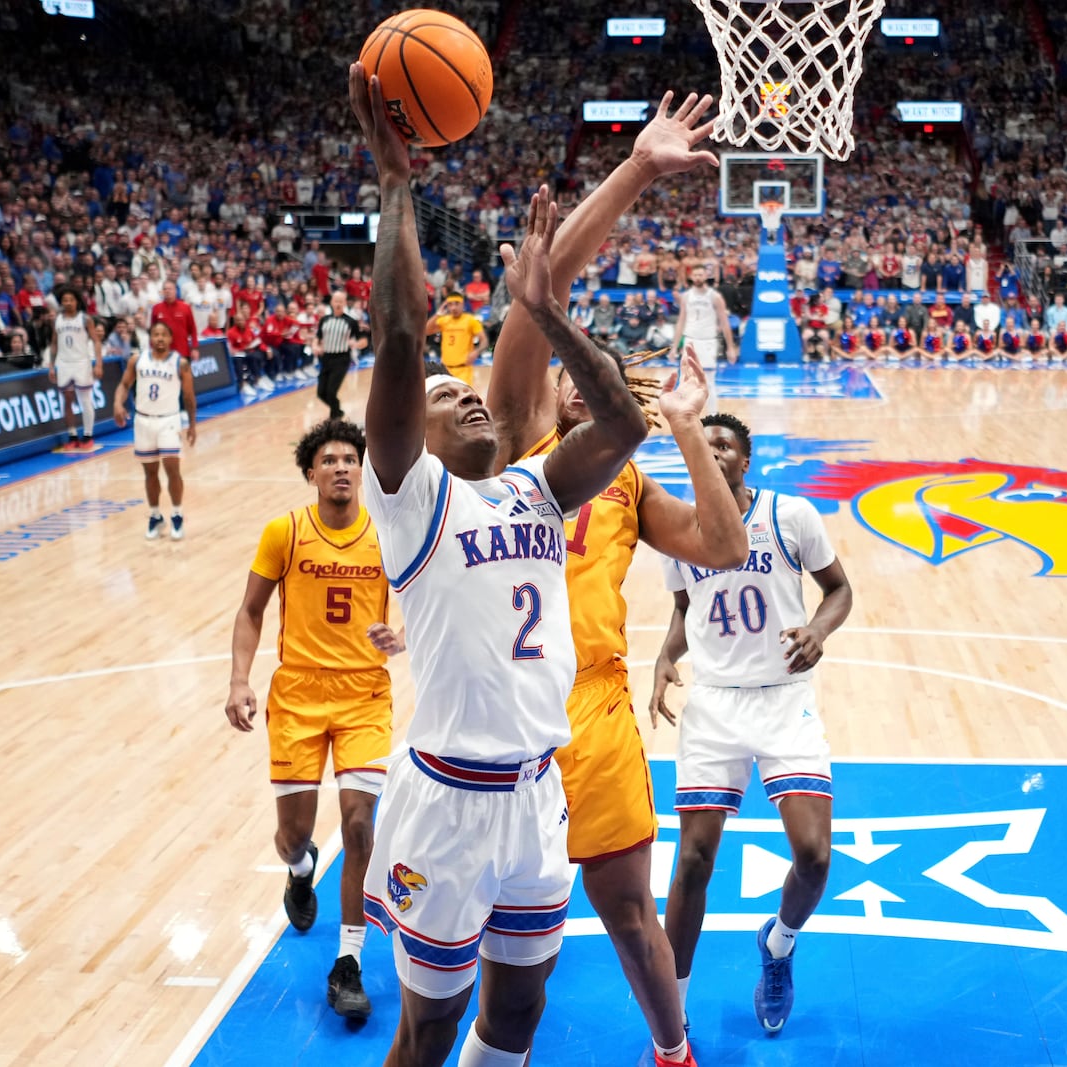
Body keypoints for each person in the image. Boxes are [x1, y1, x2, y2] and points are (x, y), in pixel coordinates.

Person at [348, 66, 647, 1067]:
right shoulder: (411, 497)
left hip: (536, 792)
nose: (464, 398)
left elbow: (624, 421)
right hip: (446, 800)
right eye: (440, 393)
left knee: (518, 1015)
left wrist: (546, 308)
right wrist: (398, 184)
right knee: (428, 1025)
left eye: (462, 386)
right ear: (410, 431)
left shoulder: (529, 487)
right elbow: (398, 331)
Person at [479, 90, 742, 1067]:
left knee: (630, 911)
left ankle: (671, 1047)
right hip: (498, 720)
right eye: (540, 358)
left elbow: (718, 545)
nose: (544, 366)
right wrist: (633, 171)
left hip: (591, 713)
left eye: (559, 361)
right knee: (506, 956)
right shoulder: (505, 441)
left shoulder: (623, 479)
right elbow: (535, 295)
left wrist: (685, 430)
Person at [650, 412, 853, 1036]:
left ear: (747, 458)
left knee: (815, 857)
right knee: (693, 862)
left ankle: (779, 946)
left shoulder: (791, 516)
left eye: (725, 445)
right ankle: (673, 1008)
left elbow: (839, 590)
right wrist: (664, 656)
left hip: (784, 698)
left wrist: (817, 630)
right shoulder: (680, 531)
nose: (713, 452)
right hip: (713, 706)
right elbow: (688, 608)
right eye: (703, 444)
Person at [224, 418, 390, 1022]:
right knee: (294, 833)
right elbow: (250, 611)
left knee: (358, 825)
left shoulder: (387, 534)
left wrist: (400, 635)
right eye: (330, 460)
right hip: (297, 694)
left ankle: (348, 963)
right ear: (311, 472)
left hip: (365, 694)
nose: (342, 467)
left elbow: (426, 600)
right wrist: (240, 681)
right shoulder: (285, 531)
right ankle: (299, 867)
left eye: (351, 459)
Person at [113, 322, 197, 540]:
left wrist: (193, 426)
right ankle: (155, 515)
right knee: (150, 473)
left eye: (164, 335)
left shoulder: (181, 363)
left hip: (169, 420)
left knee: (171, 467)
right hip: (143, 421)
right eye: (156, 334)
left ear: (170, 338)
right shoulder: (136, 360)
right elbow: (124, 385)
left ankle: (177, 514)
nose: (160, 338)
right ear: (150, 338)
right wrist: (117, 404)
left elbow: (189, 397)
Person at [49, 286, 102, 451]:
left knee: (85, 399)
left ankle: (88, 435)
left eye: (71, 299)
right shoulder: (57, 320)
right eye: (65, 300)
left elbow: (96, 341)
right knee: (68, 400)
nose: (68, 303)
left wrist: (98, 363)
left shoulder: (85, 319)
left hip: (81, 362)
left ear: (77, 301)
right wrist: (51, 366)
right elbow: (54, 344)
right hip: (64, 363)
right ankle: (72, 435)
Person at [674, 264, 737, 371]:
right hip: (690, 340)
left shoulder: (715, 297)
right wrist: (675, 346)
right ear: (691, 277)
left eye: (700, 275)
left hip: (708, 341)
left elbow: (725, 323)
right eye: (695, 275)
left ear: (706, 276)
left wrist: (730, 348)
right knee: (689, 378)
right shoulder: (686, 296)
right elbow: (681, 322)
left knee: (707, 378)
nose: (698, 277)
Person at [315, 292, 367, 420]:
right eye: (336, 301)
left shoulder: (351, 322)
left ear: (344, 303)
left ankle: (334, 419)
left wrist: (355, 344)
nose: (338, 304)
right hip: (326, 358)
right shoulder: (324, 320)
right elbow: (317, 338)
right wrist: (315, 346)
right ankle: (338, 411)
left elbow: (364, 341)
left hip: (342, 359)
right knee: (321, 393)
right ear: (331, 302)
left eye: (340, 301)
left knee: (331, 392)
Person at [425, 291, 485, 384]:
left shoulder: (470, 320)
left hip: (463, 369)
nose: (453, 307)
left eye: (457, 304)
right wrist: (438, 313)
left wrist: (476, 352)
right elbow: (426, 330)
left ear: (462, 304)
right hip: (445, 369)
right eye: (450, 304)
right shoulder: (444, 320)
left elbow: (484, 340)